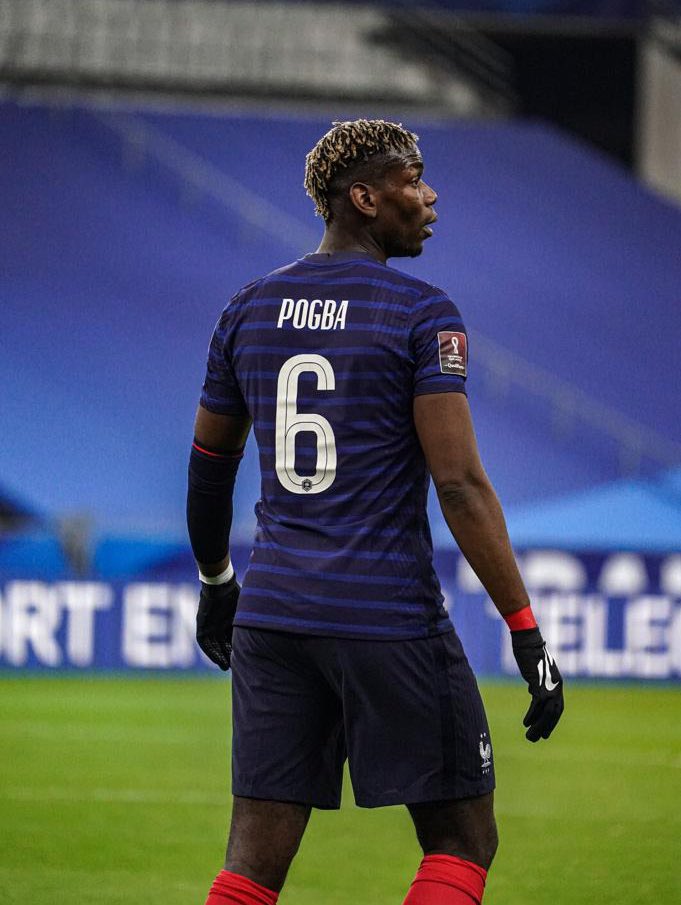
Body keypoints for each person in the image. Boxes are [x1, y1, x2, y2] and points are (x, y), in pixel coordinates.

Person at [187, 119, 564, 905]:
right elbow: (457, 483)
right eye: (412, 179)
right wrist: (523, 628)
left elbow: (209, 467)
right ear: (362, 197)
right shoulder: (421, 313)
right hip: (384, 616)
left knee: (252, 860)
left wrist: (219, 580)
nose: (429, 196)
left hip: (275, 615)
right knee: (463, 838)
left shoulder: (247, 308)